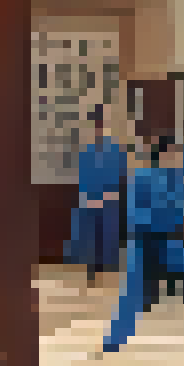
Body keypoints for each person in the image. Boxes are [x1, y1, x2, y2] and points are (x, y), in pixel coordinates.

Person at [99, 135, 184, 358]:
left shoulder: (178, 180)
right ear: (162, 154)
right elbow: (138, 216)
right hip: (150, 245)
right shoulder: (146, 179)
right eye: (173, 153)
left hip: (168, 246)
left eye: (178, 154)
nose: (177, 157)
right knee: (133, 294)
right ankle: (113, 342)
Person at [67, 107, 129, 285]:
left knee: (108, 238)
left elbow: (121, 179)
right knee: (89, 236)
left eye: (102, 123)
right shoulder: (86, 152)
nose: (99, 127)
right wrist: (89, 200)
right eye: (97, 124)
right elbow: (83, 181)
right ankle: (91, 272)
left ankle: (107, 274)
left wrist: (109, 197)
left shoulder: (116, 151)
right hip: (90, 204)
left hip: (110, 204)